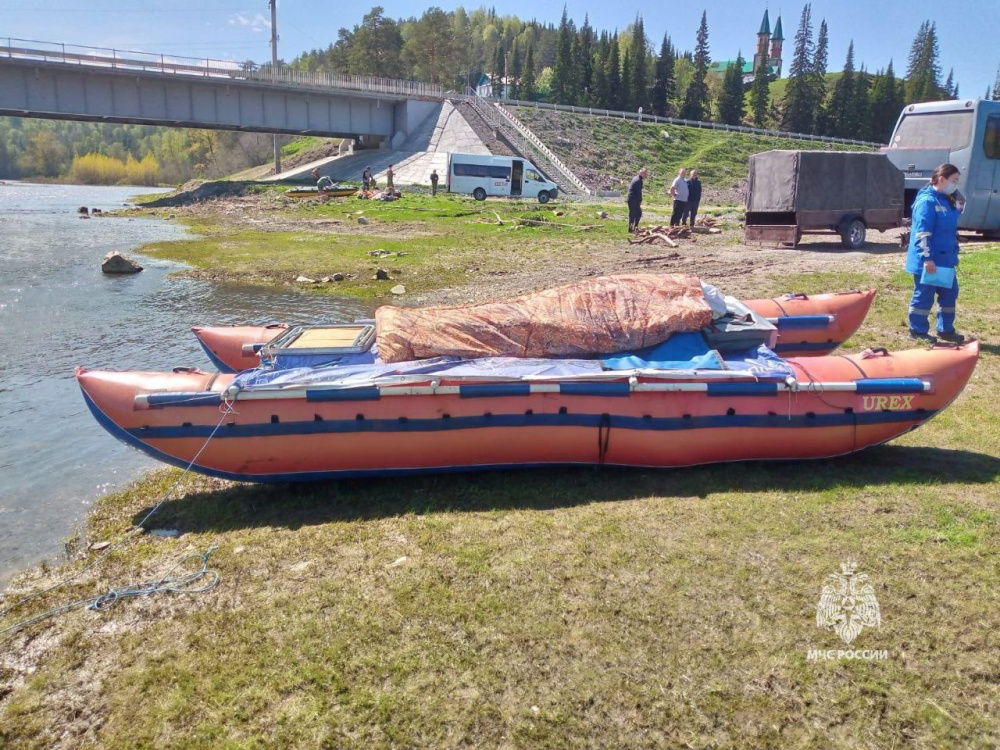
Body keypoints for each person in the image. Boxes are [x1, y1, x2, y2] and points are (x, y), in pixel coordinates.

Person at [905, 163, 965, 344]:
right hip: (930, 260)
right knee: (924, 295)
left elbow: (954, 219)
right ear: (942, 179)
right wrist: (927, 258)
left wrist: (959, 199)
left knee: (950, 294)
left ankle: (945, 330)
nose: (956, 184)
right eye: (954, 180)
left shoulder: (946, 200)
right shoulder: (927, 201)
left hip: (945, 259)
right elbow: (922, 233)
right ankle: (917, 331)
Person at [626, 167, 647, 232]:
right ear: (642, 173)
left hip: (632, 198)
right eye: (645, 174)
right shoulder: (638, 180)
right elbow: (638, 192)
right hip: (633, 199)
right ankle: (631, 228)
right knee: (633, 214)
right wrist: (640, 200)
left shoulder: (636, 178)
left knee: (638, 213)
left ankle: (635, 227)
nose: (646, 175)